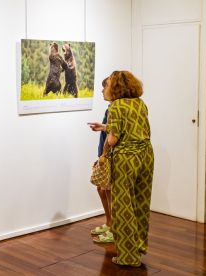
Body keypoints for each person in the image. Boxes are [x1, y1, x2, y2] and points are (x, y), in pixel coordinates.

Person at [105, 71, 154, 267]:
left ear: (114, 87)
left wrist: (108, 132)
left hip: (126, 158)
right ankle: (139, 247)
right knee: (141, 203)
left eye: (108, 84)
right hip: (146, 155)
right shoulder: (140, 103)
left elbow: (113, 139)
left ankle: (128, 257)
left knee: (122, 207)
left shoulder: (116, 106)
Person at [87, 77, 113, 243]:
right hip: (104, 154)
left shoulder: (116, 109)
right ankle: (110, 222)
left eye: (105, 88)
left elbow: (114, 134)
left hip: (110, 155)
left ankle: (113, 228)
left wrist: (104, 156)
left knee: (107, 190)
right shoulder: (109, 108)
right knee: (102, 189)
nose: (102, 91)